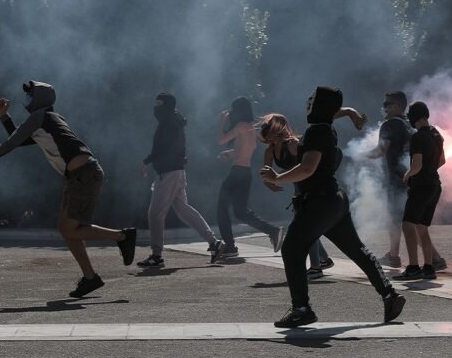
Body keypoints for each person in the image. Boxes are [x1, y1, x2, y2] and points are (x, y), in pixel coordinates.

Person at [260, 86, 406, 328]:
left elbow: (308, 167)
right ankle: (389, 295)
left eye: (312, 100)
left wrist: (276, 178)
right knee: (356, 249)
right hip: (334, 199)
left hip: (319, 201)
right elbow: (331, 113)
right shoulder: (324, 126)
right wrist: (349, 113)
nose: (307, 102)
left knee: (291, 250)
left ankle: (302, 308)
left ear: (317, 107)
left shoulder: (317, 132)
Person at [0, 80, 136, 298]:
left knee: (70, 228)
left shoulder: (41, 116)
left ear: (39, 98)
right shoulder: (48, 118)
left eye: (30, 95)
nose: (27, 99)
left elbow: (15, 140)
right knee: (67, 229)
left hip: (84, 174)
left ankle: (122, 237)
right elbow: (22, 138)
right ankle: (90, 278)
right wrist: (4, 116)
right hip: (79, 175)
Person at [137, 93, 225, 267]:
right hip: (175, 171)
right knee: (183, 210)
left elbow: (163, 148)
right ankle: (214, 243)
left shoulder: (168, 123)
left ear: (167, 105)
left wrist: (146, 162)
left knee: (155, 214)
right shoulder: (173, 121)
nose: (156, 107)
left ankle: (156, 255)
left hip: (169, 173)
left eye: (159, 103)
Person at [365, 91, 447, 271]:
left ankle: (433, 259)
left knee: (408, 223)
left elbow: (380, 150)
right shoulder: (413, 127)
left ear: (396, 106)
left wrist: (358, 156)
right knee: (403, 221)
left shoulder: (390, 125)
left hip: (399, 180)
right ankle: (395, 255)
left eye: (387, 104)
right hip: (416, 181)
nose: (384, 107)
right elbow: (440, 160)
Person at [258, 113, 333, 281]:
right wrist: (268, 182)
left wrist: (277, 177)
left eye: (269, 134)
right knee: (305, 226)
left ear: (278, 130)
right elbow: (265, 170)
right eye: (267, 137)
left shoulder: (294, 144)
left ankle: (316, 267)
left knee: (306, 228)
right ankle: (324, 259)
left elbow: (306, 167)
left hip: (311, 186)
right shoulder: (270, 150)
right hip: (298, 188)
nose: (269, 140)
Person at [217, 96, 283, 257]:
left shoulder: (240, 125)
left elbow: (220, 140)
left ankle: (230, 247)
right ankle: (273, 231)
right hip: (245, 173)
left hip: (236, 173)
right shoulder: (251, 128)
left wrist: (221, 122)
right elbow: (247, 150)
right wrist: (231, 154)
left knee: (221, 209)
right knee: (241, 212)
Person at [393, 101, 445, 281]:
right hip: (435, 185)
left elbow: (416, 165)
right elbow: (442, 161)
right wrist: (431, 170)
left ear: (413, 118)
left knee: (408, 225)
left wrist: (407, 175)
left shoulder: (417, 137)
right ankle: (429, 267)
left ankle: (413, 267)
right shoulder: (437, 134)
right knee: (422, 228)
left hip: (421, 186)